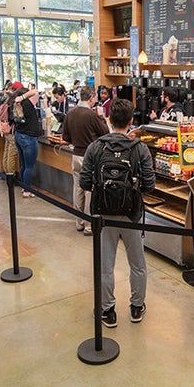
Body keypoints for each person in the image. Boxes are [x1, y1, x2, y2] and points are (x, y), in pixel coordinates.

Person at [79, 99, 155, 327]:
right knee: (138, 264)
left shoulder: (95, 147)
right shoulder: (140, 148)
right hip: (132, 214)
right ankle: (136, 307)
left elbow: (84, 182)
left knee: (105, 265)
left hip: (102, 215)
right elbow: (149, 185)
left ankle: (107, 310)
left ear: (109, 120)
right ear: (131, 121)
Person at [62, 86, 110, 235]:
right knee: (90, 190)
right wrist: (101, 116)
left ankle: (79, 222)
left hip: (76, 154)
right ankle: (89, 226)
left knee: (77, 188)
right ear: (91, 98)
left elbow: (65, 137)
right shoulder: (92, 115)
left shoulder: (70, 113)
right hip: (90, 157)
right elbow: (105, 133)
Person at [0, 86, 41, 196]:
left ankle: (24, 186)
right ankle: (27, 190)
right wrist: (23, 97)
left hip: (18, 135)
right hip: (29, 137)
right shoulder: (27, 103)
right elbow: (35, 92)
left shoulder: (15, 104)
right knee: (29, 166)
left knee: (23, 164)